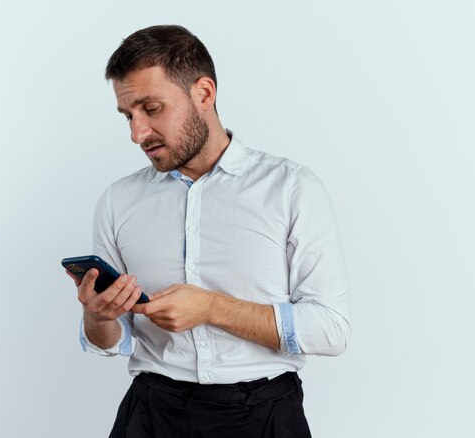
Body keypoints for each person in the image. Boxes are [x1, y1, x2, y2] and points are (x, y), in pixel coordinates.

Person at [67, 24, 351, 438]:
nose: (136, 133)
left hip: (265, 416)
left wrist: (212, 308)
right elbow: (112, 340)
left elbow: (331, 330)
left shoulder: (291, 188)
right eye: (128, 115)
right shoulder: (118, 201)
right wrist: (98, 316)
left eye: (151, 108)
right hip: (151, 414)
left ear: (203, 93)